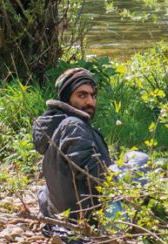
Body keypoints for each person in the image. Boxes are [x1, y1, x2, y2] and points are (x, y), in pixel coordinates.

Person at [32, 67, 112, 226]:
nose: (90, 101)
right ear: (67, 98)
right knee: (138, 160)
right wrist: (125, 188)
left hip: (66, 214)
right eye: (82, 95)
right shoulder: (73, 125)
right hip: (87, 218)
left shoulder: (60, 126)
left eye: (93, 95)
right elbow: (93, 176)